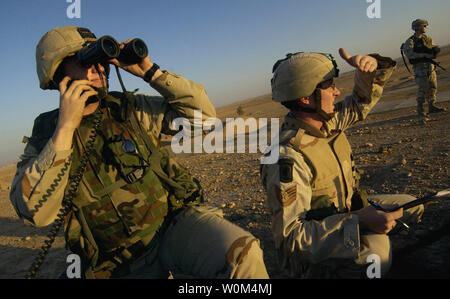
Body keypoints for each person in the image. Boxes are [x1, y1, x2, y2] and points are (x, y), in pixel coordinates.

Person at [10, 26, 269, 279]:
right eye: (84, 60)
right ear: (56, 74)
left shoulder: (130, 108)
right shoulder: (47, 133)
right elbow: (36, 213)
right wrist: (65, 129)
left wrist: (149, 71)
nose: (98, 68)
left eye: (100, 58)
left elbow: (205, 121)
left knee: (243, 256)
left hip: (170, 226)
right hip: (112, 260)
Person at [260, 49, 424, 278]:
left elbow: (360, 103)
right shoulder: (287, 157)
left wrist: (370, 70)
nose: (337, 91)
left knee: (412, 205)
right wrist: (359, 221)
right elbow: (292, 239)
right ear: (306, 97)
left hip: (348, 211)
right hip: (313, 254)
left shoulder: (327, 122)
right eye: (329, 86)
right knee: (376, 256)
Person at [402, 19, 446, 123]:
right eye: (424, 25)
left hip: (430, 67)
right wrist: (423, 55)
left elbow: (432, 46)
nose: (426, 27)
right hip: (420, 68)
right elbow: (409, 54)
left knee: (433, 87)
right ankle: (421, 110)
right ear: (418, 27)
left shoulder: (427, 38)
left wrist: (435, 50)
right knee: (423, 89)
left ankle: (432, 106)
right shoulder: (410, 41)